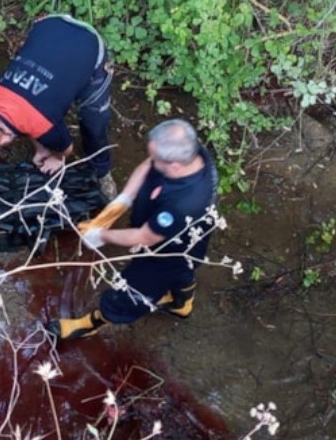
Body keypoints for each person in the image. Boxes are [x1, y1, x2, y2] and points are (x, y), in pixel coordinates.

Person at [46, 119, 219, 341]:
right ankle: (182, 303)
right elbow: (147, 165)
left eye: (157, 160)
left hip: (165, 253)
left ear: (175, 165)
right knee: (185, 269)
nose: (151, 161)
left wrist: (100, 235)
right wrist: (122, 201)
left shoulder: (184, 203)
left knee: (130, 292)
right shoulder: (191, 153)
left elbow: (144, 237)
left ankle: (91, 323)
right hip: (188, 240)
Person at [0, 14, 117, 199]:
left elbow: (66, 148)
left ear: (2, 140)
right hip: (48, 24)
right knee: (39, 107)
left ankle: (102, 171)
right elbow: (25, 118)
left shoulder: (44, 125)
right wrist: (42, 149)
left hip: (89, 45)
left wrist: (57, 158)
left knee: (94, 120)